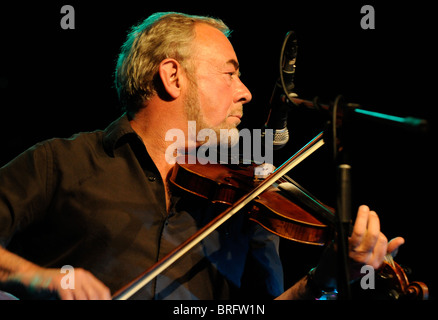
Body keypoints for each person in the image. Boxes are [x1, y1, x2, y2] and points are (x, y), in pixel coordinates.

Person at [0, 12, 404, 300]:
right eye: (230, 73)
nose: (245, 92)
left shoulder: (246, 202)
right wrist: (37, 278)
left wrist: (325, 280)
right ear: (173, 77)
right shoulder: (60, 163)